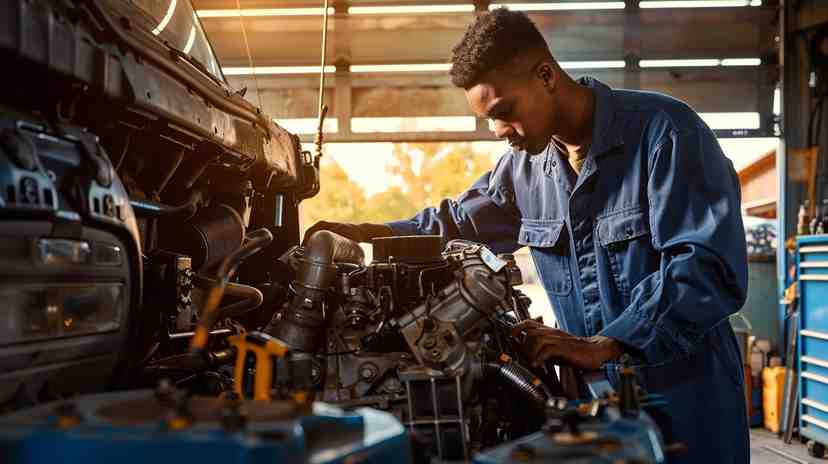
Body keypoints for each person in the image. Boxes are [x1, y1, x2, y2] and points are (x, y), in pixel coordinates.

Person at [305, 8, 749, 462]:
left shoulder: (666, 134)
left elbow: (708, 267)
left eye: (504, 112)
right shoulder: (524, 170)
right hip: (591, 403)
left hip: (684, 398)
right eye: (489, 120)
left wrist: (605, 344)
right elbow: (455, 223)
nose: (499, 132)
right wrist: (363, 234)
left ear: (545, 75)